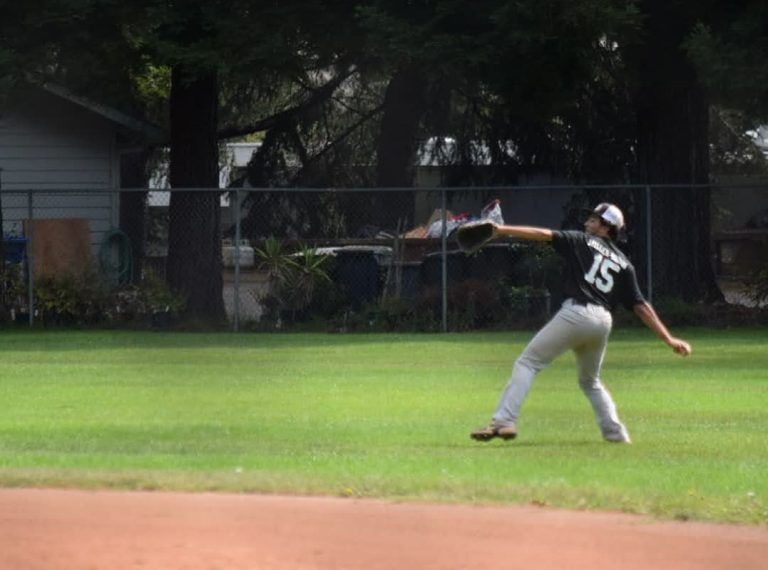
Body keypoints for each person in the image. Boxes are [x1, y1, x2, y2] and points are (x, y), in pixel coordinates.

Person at [471, 203, 692, 444]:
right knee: (590, 381)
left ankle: (504, 421)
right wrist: (668, 339)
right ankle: (616, 434)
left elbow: (543, 235)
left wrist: (501, 230)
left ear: (607, 227)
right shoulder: (624, 263)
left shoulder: (581, 241)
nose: (587, 223)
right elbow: (640, 305)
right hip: (603, 322)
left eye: (594, 219)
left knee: (528, 363)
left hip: (576, 313)